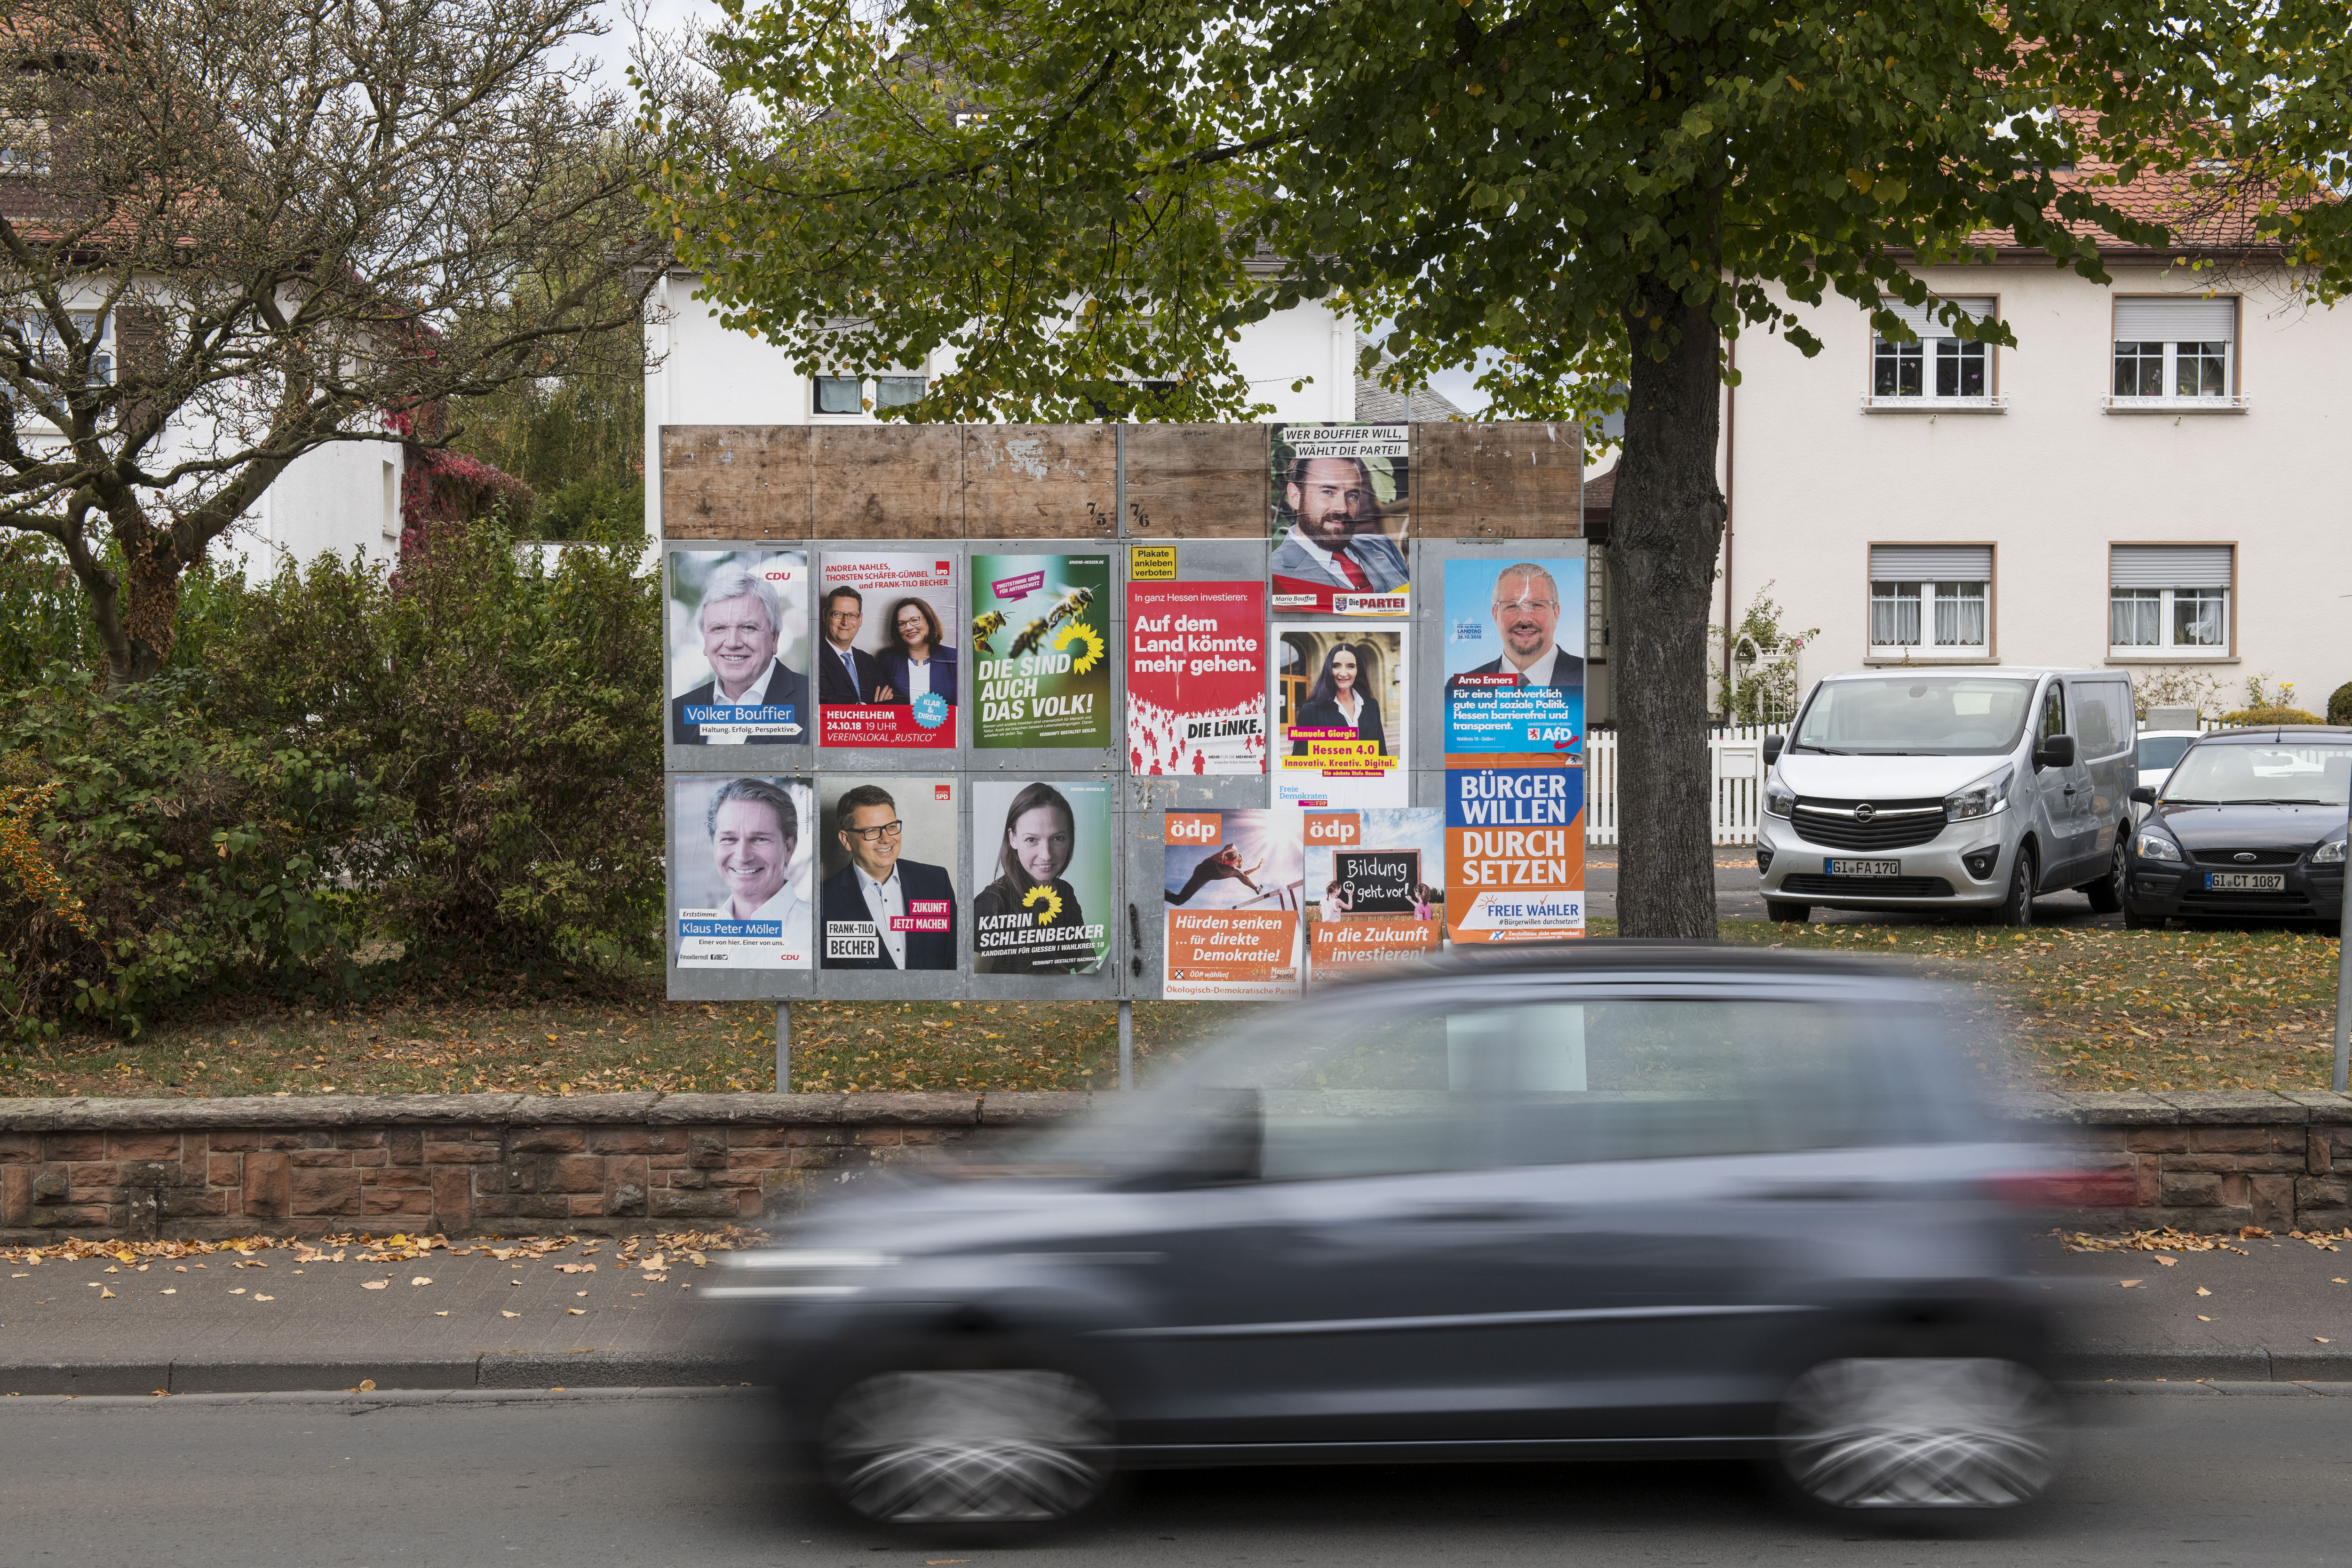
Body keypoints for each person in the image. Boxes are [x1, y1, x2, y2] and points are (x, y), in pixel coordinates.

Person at [818, 783, 955, 969]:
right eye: (872, 831)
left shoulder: (936, 882)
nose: (886, 838)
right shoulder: (823, 901)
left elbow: (954, 959)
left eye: (891, 826)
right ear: (846, 840)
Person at [669, 564, 809, 745]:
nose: (732, 643)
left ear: (775, 639)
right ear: (705, 641)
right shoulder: (677, 712)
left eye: (748, 627)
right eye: (718, 629)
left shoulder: (816, 701)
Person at [972, 783, 1096, 974]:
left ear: (1070, 838)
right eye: (1032, 840)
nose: (1046, 855)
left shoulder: (1065, 893)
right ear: (1013, 839)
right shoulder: (991, 904)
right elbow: (972, 991)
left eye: (1058, 839)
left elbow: (1088, 965)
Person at [1269, 455, 1408, 594]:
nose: (1343, 508)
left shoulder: (1384, 546)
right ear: (1295, 497)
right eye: (1328, 492)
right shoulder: (1273, 572)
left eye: (1352, 495)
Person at [1446, 563, 1585, 691]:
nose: (1525, 619)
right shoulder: (1459, 688)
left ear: (1556, 613)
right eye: (1512, 606)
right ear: (1495, 614)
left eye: (1537, 605)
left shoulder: (1588, 678)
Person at [706, 778, 812, 938]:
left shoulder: (817, 932)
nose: (742, 857)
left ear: (789, 847)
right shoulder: (696, 941)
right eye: (729, 839)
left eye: (760, 839)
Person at [1289, 641, 1387, 757]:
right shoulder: (1311, 711)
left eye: (1351, 666)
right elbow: (1300, 762)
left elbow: (1381, 754)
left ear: (1358, 670)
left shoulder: (1372, 705)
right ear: (1328, 670)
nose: (1343, 673)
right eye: (1336, 666)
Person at [815, 586, 898, 707]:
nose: (845, 622)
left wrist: (860, 706)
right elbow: (829, 707)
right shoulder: (815, 658)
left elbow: (897, 701)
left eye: (852, 615)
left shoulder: (867, 660)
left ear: (860, 620)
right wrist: (875, 708)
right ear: (825, 616)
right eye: (838, 614)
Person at [879, 597, 959, 709]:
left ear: (929, 621)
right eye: (902, 624)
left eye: (915, 620)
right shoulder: (887, 661)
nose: (909, 627)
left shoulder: (954, 658)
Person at [1164, 844, 1263, 905]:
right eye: (1240, 865)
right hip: (1211, 866)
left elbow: (1244, 874)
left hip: (1202, 873)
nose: (1240, 866)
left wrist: (1257, 868)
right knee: (1237, 874)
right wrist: (1225, 851)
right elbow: (1233, 847)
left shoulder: (1231, 868)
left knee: (1179, 901)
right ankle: (1256, 888)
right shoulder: (1235, 857)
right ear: (1240, 860)